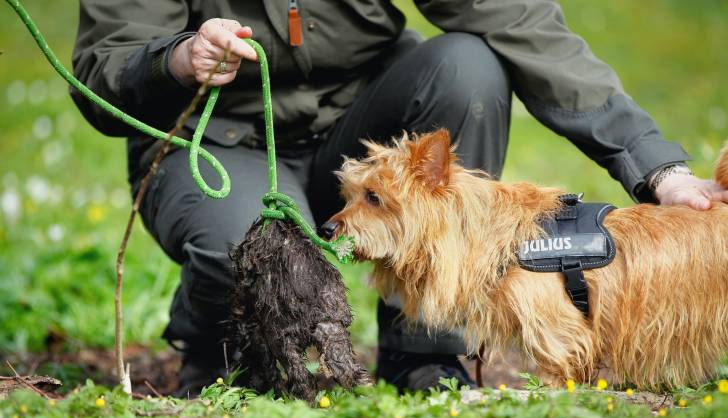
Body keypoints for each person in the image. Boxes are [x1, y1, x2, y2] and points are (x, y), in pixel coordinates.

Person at [70, 0, 728, 396]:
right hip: (219, 140)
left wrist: (655, 165)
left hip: (362, 137)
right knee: (254, 251)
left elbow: (515, 19)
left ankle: (427, 355)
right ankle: (224, 359)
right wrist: (176, 58)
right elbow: (102, 63)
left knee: (468, 67)